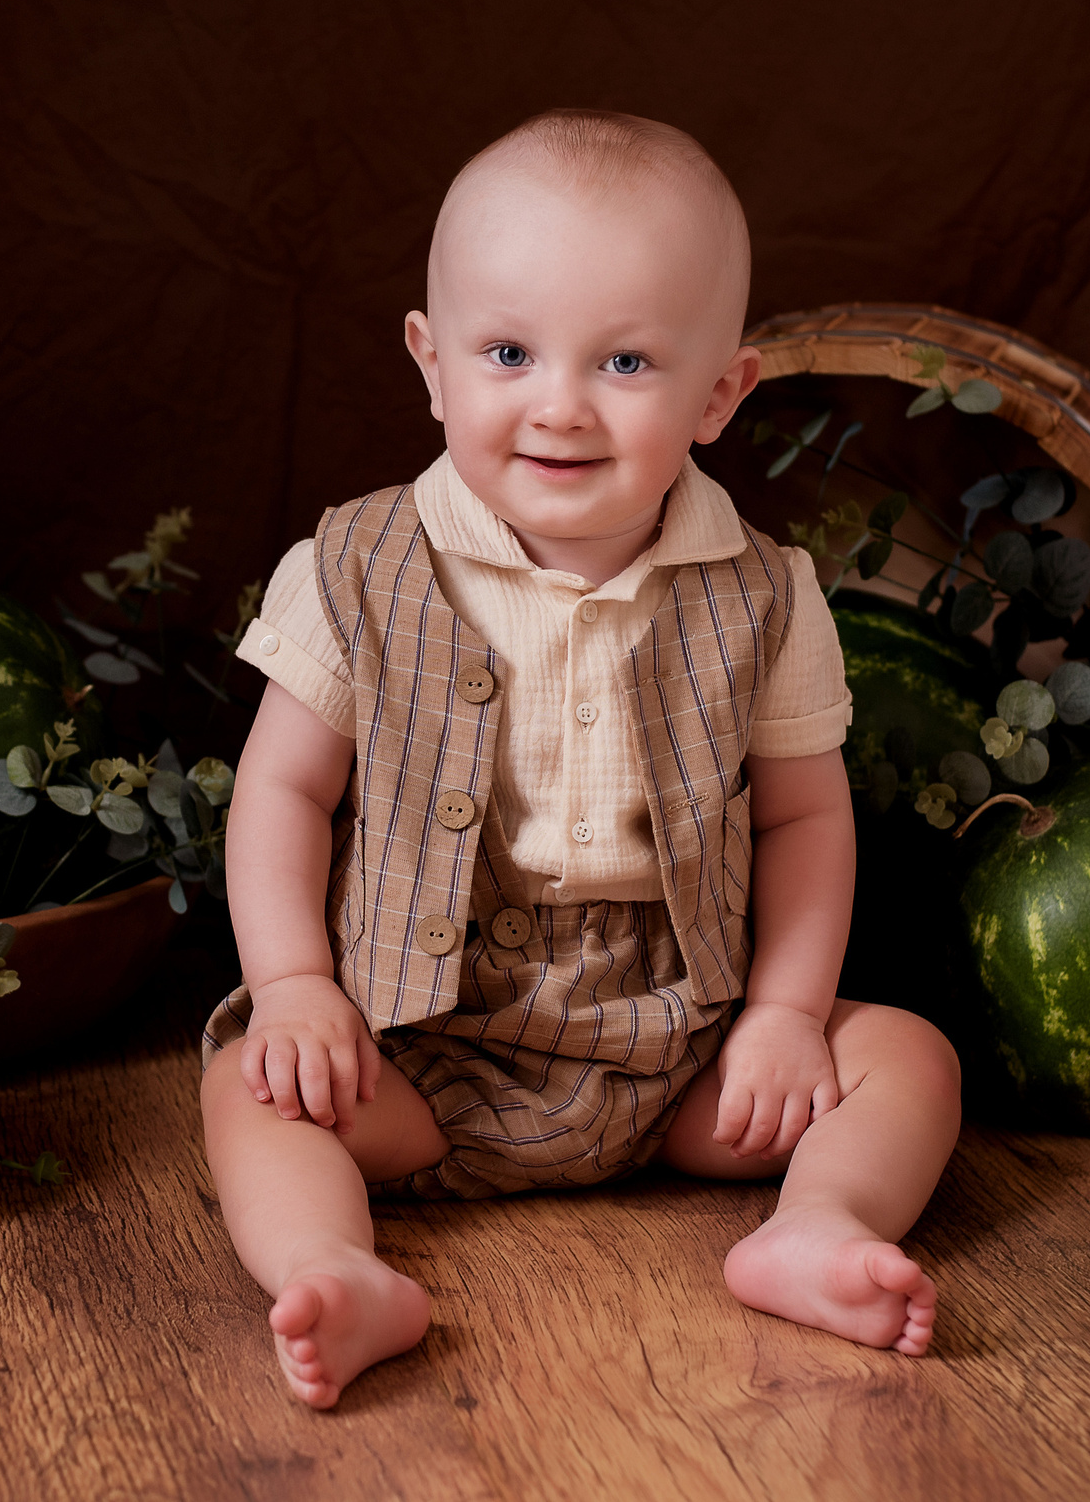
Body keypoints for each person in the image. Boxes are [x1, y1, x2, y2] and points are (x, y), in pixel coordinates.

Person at [200, 109, 963, 1409]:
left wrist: (783, 1017)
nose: (558, 405)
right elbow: (285, 790)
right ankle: (332, 1261)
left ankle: (817, 1223)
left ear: (720, 394)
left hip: (688, 1046)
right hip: (419, 1038)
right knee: (250, 1088)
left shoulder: (765, 594)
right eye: (508, 353)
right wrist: (293, 987)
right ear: (432, 365)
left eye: (624, 360)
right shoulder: (351, 568)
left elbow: (803, 821)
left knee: (907, 1059)